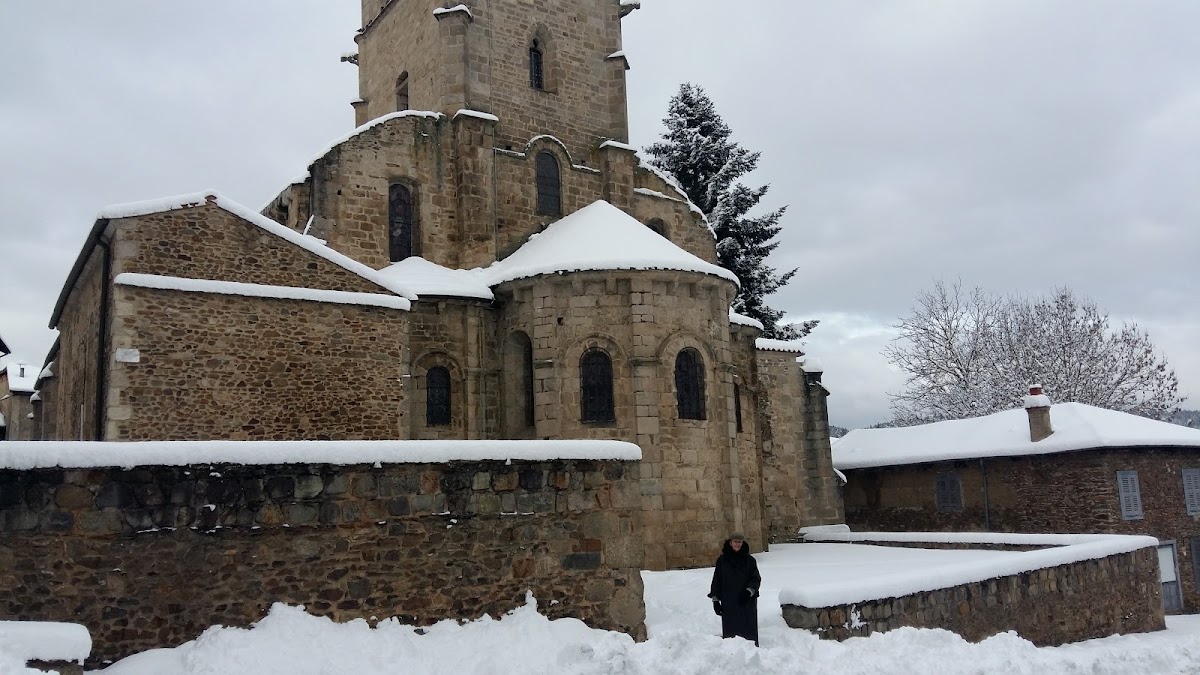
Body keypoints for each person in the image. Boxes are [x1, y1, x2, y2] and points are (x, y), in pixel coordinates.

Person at [708, 531, 761, 646]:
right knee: (731, 637)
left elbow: (755, 579)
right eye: (736, 542)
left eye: (740, 542)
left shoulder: (750, 561)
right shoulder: (722, 561)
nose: (738, 544)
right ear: (730, 543)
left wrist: (749, 592)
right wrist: (715, 600)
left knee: (748, 635)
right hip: (729, 603)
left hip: (746, 603)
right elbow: (717, 580)